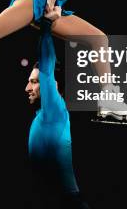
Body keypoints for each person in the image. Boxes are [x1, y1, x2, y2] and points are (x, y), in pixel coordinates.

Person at [25, 20, 91, 209]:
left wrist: (46, 26)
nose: (27, 87)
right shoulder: (44, 115)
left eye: (34, 82)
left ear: (53, 85)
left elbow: (47, 65)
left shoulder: (54, 110)